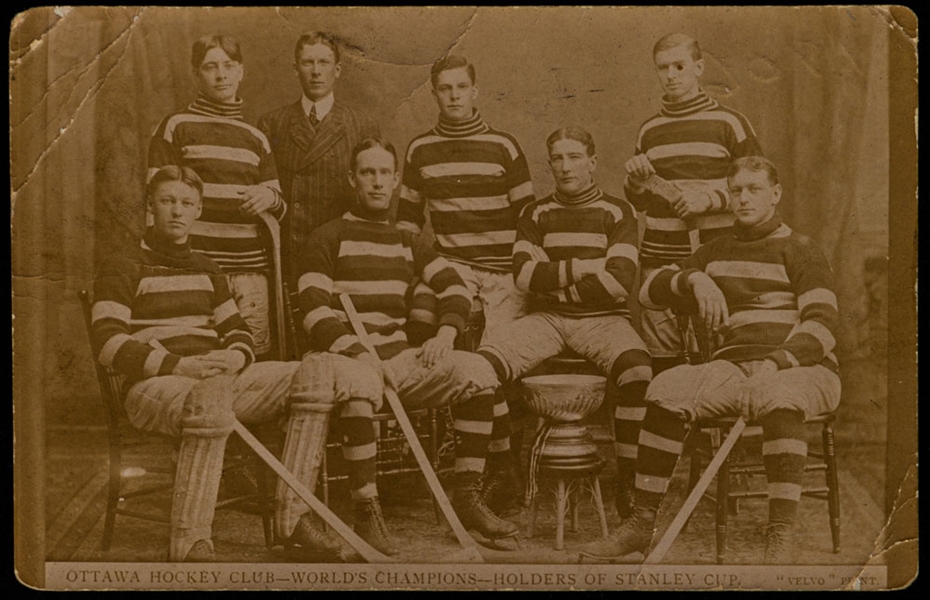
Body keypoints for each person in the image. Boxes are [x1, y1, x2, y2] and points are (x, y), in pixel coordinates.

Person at [91, 165, 385, 562]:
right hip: (155, 386)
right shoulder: (123, 265)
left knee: (316, 370)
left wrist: (234, 355)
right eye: (168, 201)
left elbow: (238, 331)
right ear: (150, 206)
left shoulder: (208, 267)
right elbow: (108, 343)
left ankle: (292, 521)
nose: (177, 211)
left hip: (217, 376)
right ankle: (190, 541)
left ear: (198, 211)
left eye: (187, 203)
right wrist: (180, 366)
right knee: (210, 396)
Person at [581, 156, 841, 564]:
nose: (743, 198)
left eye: (754, 189)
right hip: (732, 368)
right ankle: (641, 524)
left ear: (775, 194)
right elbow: (648, 291)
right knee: (666, 388)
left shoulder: (801, 248)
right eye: (736, 190)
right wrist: (694, 278)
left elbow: (823, 325)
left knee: (781, 398)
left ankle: (780, 533)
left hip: (803, 368)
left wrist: (775, 363)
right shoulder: (714, 250)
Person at [297, 138, 520, 547]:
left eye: (385, 173)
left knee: (478, 371)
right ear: (352, 179)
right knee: (359, 385)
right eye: (368, 173)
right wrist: (357, 351)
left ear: (397, 180)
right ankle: (367, 511)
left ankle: (467, 496)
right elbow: (313, 309)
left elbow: (455, 288)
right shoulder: (327, 237)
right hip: (342, 357)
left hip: (399, 360)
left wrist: (446, 333)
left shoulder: (409, 241)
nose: (377, 182)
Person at [475, 127, 652, 518]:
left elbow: (619, 283)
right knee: (481, 367)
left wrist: (552, 281)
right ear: (550, 162)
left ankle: (629, 481)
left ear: (592, 162)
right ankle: (505, 470)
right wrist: (588, 268)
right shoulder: (535, 212)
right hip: (546, 320)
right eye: (557, 158)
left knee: (637, 370)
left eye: (574, 157)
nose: (566, 166)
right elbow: (523, 276)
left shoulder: (618, 210)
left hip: (603, 321)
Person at [396, 54, 536, 499]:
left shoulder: (504, 146)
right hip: (451, 264)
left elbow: (529, 221)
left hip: (501, 271)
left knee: (496, 364)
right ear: (434, 93)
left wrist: (519, 275)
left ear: (475, 91)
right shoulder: (419, 149)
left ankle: (503, 463)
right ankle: (434, 450)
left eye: (461, 87)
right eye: (444, 88)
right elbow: (407, 224)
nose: (453, 96)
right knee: (422, 332)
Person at [624, 33, 763, 376]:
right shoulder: (649, 130)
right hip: (659, 258)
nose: (671, 75)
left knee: (722, 352)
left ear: (698, 68)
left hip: (718, 258)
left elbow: (758, 190)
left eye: (680, 66)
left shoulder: (730, 123)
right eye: (663, 67)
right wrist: (635, 181)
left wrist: (710, 199)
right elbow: (640, 201)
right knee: (666, 356)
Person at [148, 34, 284, 358]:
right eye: (210, 67)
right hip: (196, 269)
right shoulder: (175, 126)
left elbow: (279, 203)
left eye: (228, 65)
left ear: (241, 72)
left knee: (252, 357)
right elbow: (155, 203)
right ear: (197, 74)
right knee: (200, 355)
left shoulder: (256, 137)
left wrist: (268, 196)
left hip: (250, 272)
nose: (221, 75)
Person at [258, 31, 381, 291]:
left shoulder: (361, 124)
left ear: (337, 70)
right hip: (290, 253)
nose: (316, 72)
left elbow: (375, 197)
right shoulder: (272, 124)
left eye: (323, 63)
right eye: (308, 63)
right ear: (295, 69)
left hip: (343, 251)